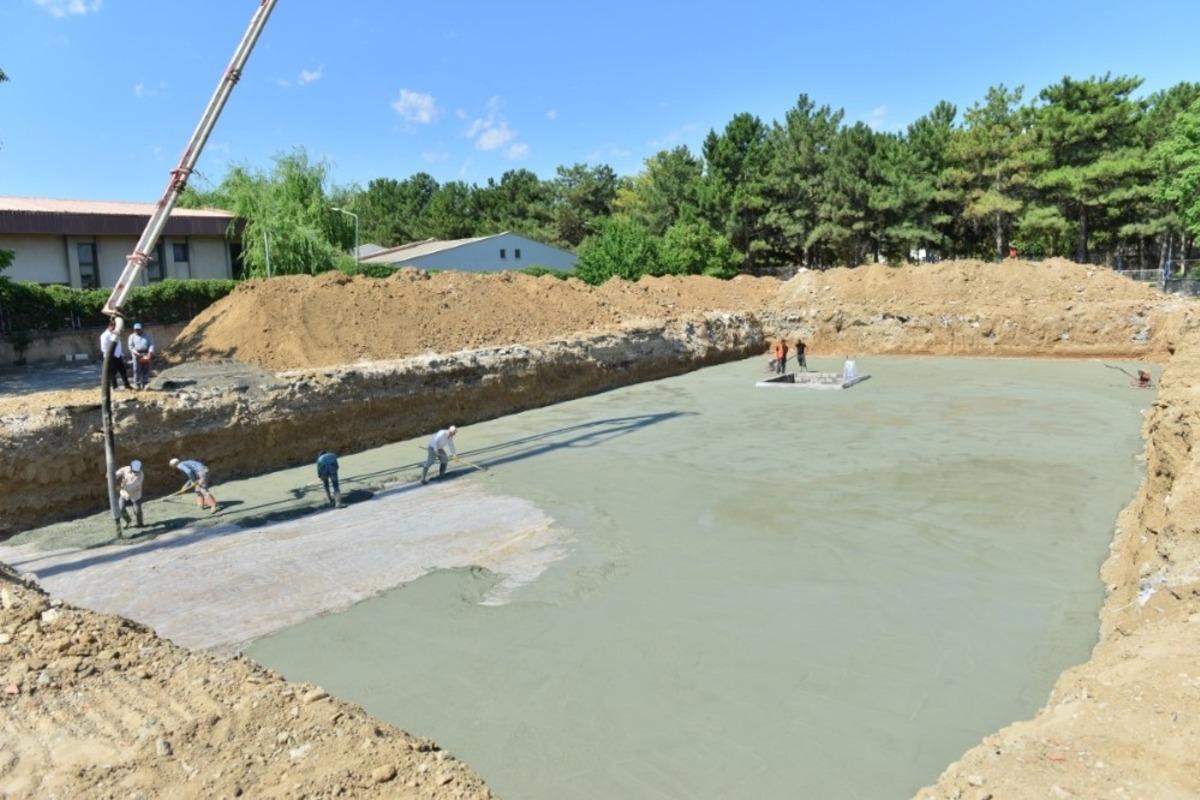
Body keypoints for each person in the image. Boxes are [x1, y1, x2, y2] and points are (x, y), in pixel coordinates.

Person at [99, 321, 132, 390]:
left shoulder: (115, 334)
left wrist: (121, 354)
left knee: (123, 371)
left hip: (118, 355)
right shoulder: (104, 335)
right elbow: (104, 348)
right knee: (113, 372)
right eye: (114, 328)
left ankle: (127, 385)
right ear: (110, 326)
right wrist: (110, 356)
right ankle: (115, 386)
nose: (116, 330)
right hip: (110, 356)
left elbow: (118, 346)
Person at [115, 459, 145, 530]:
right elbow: (117, 474)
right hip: (124, 491)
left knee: (137, 511)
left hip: (135, 493)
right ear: (131, 466)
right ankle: (128, 520)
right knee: (121, 508)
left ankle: (140, 524)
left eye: (137, 469)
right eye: (134, 469)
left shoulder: (140, 475)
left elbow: (129, 486)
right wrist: (111, 475)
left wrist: (118, 488)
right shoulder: (126, 469)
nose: (135, 471)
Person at [127, 322, 155, 390]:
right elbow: (130, 346)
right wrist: (135, 352)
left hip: (146, 354)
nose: (137, 331)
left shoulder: (147, 336)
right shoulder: (132, 336)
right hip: (136, 355)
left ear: (142, 329)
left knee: (146, 369)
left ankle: (145, 383)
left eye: (139, 329)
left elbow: (151, 344)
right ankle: (137, 384)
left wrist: (150, 352)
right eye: (136, 330)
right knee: (136, 370)